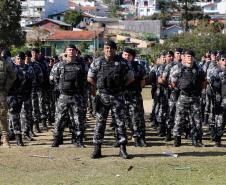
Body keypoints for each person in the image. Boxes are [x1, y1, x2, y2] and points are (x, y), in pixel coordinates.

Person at [87, 40, 134, 159]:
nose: (109, 50)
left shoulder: (123, 62)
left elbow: (131, 78)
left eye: (111, 48)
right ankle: (97, 149)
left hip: (117, 96)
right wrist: (99, 87)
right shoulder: (97, 62)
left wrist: (121, 87)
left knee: (120, 123)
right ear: (104, 49)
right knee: (100, 123)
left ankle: (122, 149)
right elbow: (90, 78)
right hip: (102, 96)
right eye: (107, 48)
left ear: (115, 49)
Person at [51, 44, 86, 148]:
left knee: (78, 119)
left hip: (77, 96)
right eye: (69, 50)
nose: (71, 52)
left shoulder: (81, 65)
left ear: (76, 52)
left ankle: (78, 140)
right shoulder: (59, 65)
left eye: (73, 50)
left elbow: (86, 79)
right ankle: (57, 139)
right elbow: (52, 78)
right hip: (63, 96)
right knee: (59, 118)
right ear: (66, 52)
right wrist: (60, 87)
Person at [170, 50, 206, 147]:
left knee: (197, 120)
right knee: (179, 119)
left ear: (194, 58)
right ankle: (177, 140)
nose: (189, 58)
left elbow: (204, 82)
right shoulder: (177, 68)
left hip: (195, 97)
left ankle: (197, 139)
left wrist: (197, 90)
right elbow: (173, 82)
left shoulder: (199, 69)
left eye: (191, 56)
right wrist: (179, 89)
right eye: (188, 56)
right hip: (183, 97)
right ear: (184, 57)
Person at [122, 48, 147, 147]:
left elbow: (142, 81)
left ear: (133, 57)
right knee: (123, 118)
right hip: (122, 96)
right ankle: (122, 138)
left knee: (137, 117)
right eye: (125, 55)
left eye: (129, 55)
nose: (126, 57)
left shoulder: (138, 67)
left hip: (135, 95)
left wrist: (136, 90)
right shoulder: (118, 65)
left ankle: (140, 138)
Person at [0, 48, 17, 147]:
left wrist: (6, 88)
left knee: (2, 116)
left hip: (1, 93)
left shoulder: (6, 62)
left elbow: (13, 76)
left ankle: (5, 139)